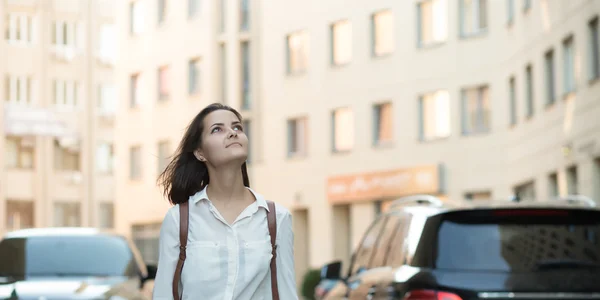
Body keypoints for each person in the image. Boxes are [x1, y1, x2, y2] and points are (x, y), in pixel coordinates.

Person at [152, 103, 298, 300]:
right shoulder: (179, 220)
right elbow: (163, 295)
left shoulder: (277, 219)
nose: (232, 133)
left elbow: (287, 293)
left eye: (237, 127)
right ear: (200, 152)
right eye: (217, 129)